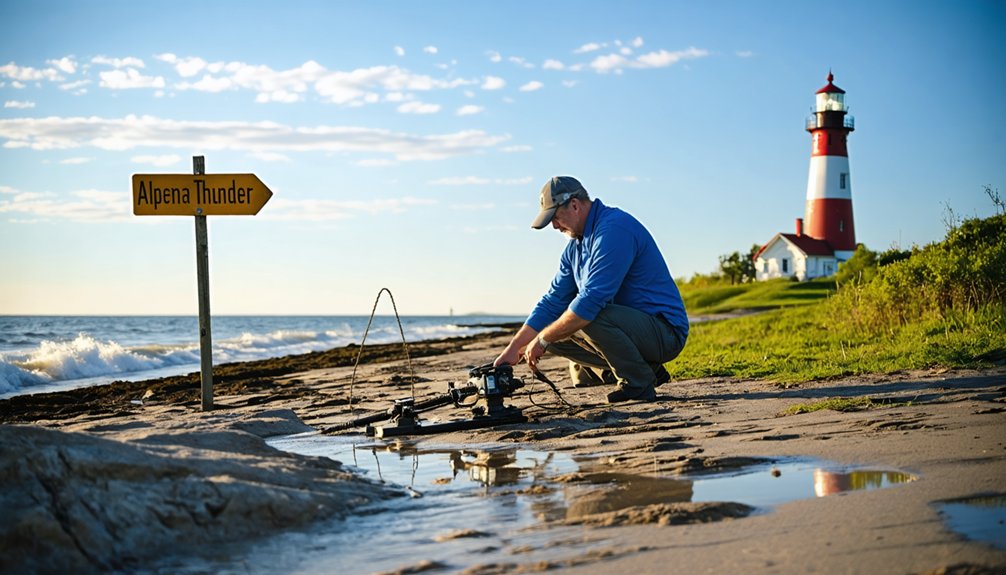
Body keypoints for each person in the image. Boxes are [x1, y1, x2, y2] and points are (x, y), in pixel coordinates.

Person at [494, 176, 688, 403]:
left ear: (575, 205)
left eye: (555, 217)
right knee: (554, 329)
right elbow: (552, 302)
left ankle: (638, 383)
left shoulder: (614, 229)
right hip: (633, 331)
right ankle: (647, 369)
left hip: (665, 332)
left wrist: (543, 338)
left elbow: (591, 301)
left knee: (584, 316)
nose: (555, 226)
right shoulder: (574, 248)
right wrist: (515, 348)